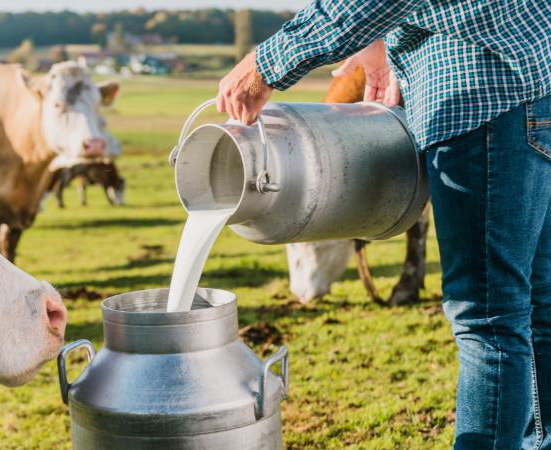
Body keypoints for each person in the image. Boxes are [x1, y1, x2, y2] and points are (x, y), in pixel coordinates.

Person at [217, 1, 551, 449]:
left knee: (488, 315)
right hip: (529, 83)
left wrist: (263, 65)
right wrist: (382, 40)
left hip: (481, 90)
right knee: (535, 301)